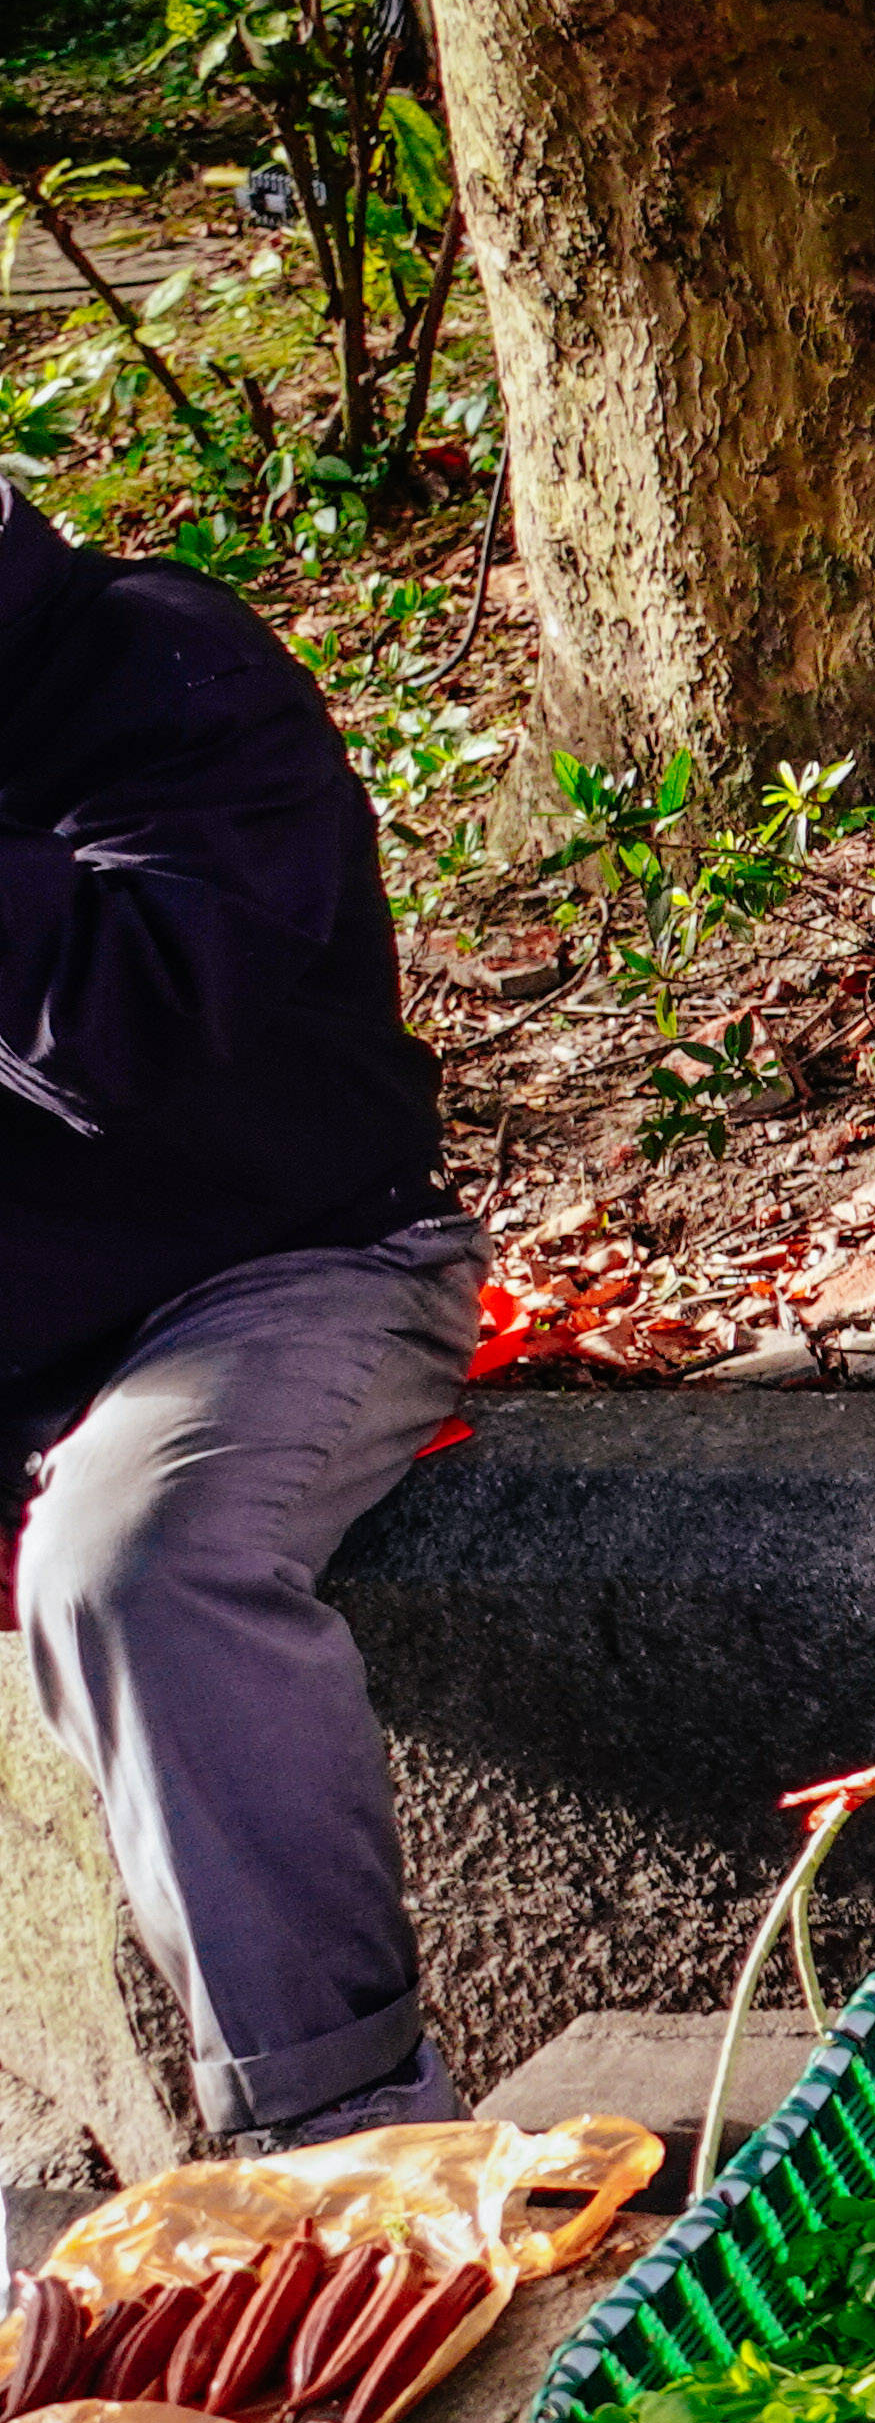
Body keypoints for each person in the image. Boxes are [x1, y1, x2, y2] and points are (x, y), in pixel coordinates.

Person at [5, 479, 482, 2154]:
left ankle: (349, 2150)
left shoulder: (164, 666)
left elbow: (125, 1023)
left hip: (284, 1279)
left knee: (129, 1568)